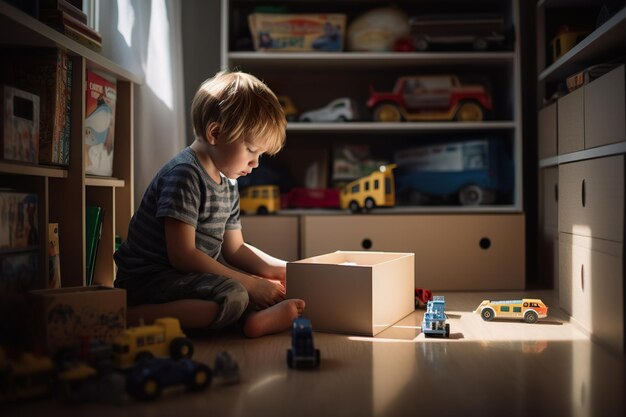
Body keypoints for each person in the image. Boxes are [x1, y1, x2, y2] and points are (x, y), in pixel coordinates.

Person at [114, 70, 305, 338]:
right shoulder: (185, 174)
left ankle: (249, 320)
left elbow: (235, 248)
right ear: (215, 133)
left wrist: (284, 270)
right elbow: (183, 256)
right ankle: (129, 317)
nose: (256, 163)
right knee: (235, 291)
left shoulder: (228, 183)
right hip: (149, 282)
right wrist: (250, 284)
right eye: (251, 151)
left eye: (260, 154)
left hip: (185, 280)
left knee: (250, 288)